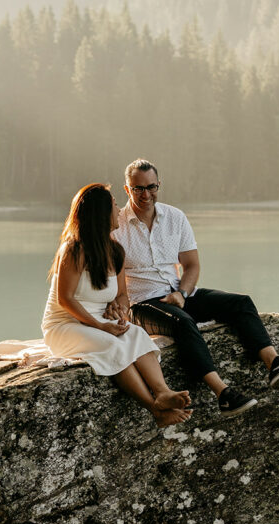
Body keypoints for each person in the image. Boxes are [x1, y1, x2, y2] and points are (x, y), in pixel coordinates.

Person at [108, 159, 279, 417]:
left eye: (151, 187)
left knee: (240, 302)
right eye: (138, 189)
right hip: (142, 303)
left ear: (159, 185)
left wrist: (181, 293)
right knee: (182, 323)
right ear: (127, 190)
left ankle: (275, 364)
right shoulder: (116, 226)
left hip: (178, 293)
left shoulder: (175, 217)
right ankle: (223, 394)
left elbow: (191, 266)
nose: (146, 194)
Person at [42, 182, 193, 428]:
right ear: (100, 214)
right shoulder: (73, 249)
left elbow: (122, 294)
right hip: (65, 325)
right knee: (112, 345)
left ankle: (163, 392)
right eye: (113, 205)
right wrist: (101, 326)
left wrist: (120, 310)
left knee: (135, 333)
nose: (118, 210)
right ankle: (153, 407)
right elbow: (65, 299)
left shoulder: (115, 251)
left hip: (100, 323)